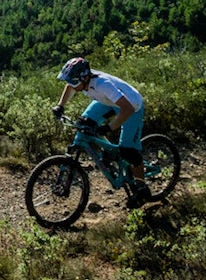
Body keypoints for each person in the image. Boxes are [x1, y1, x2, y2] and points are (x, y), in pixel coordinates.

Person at [52, 57, 151, 207]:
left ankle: (142, 187)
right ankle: (108, 151)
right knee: (84, 124)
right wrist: (60, 106)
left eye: (74, 81)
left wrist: (109, 127)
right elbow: (70, 86)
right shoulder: (83, 82)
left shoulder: (103, 85)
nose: (71, 84)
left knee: (128, 152)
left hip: (131, 106)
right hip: (108, 101)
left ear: (84, 78)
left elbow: (127, 109)